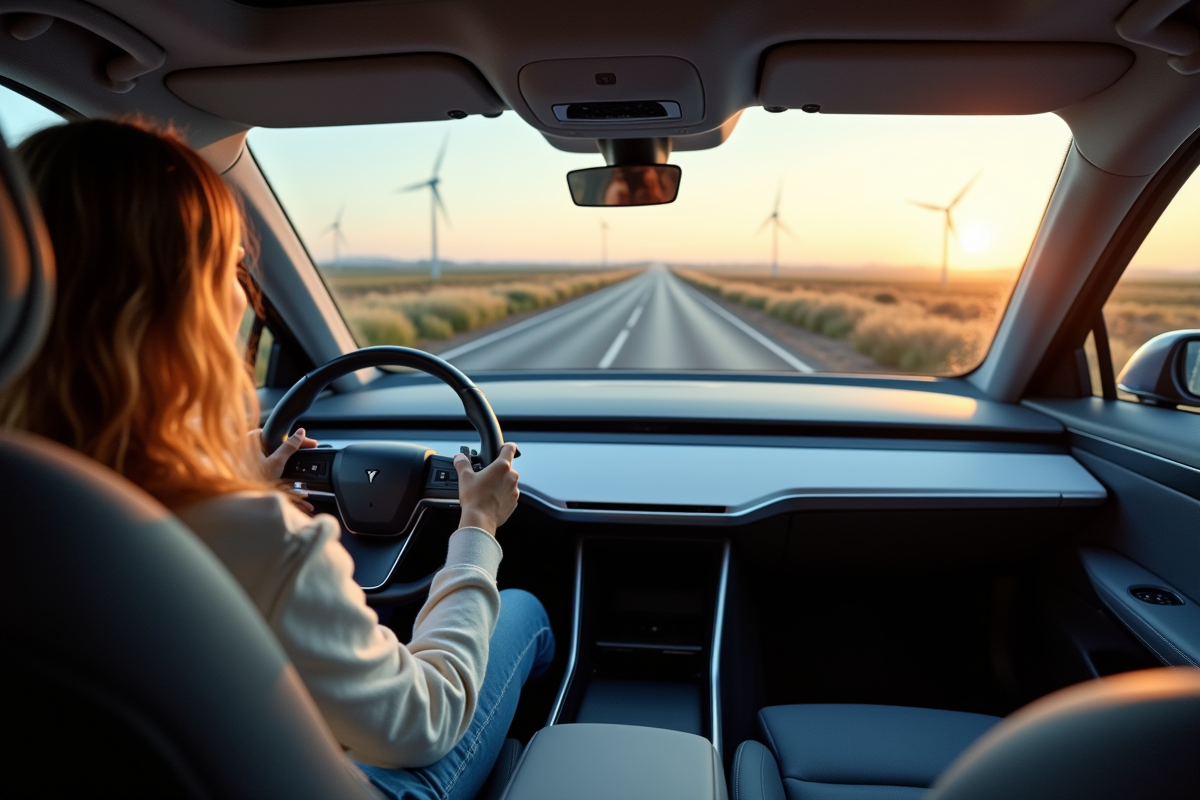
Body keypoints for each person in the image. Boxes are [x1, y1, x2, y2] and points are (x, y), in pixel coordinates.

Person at [0, 118, 554, 800]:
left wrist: (230, 478)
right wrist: (477, 529)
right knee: (521, 610)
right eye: (230, 267)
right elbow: (426, 723)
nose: (244, 294)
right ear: (177, 309)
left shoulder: (30, 499)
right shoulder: (255, 538)